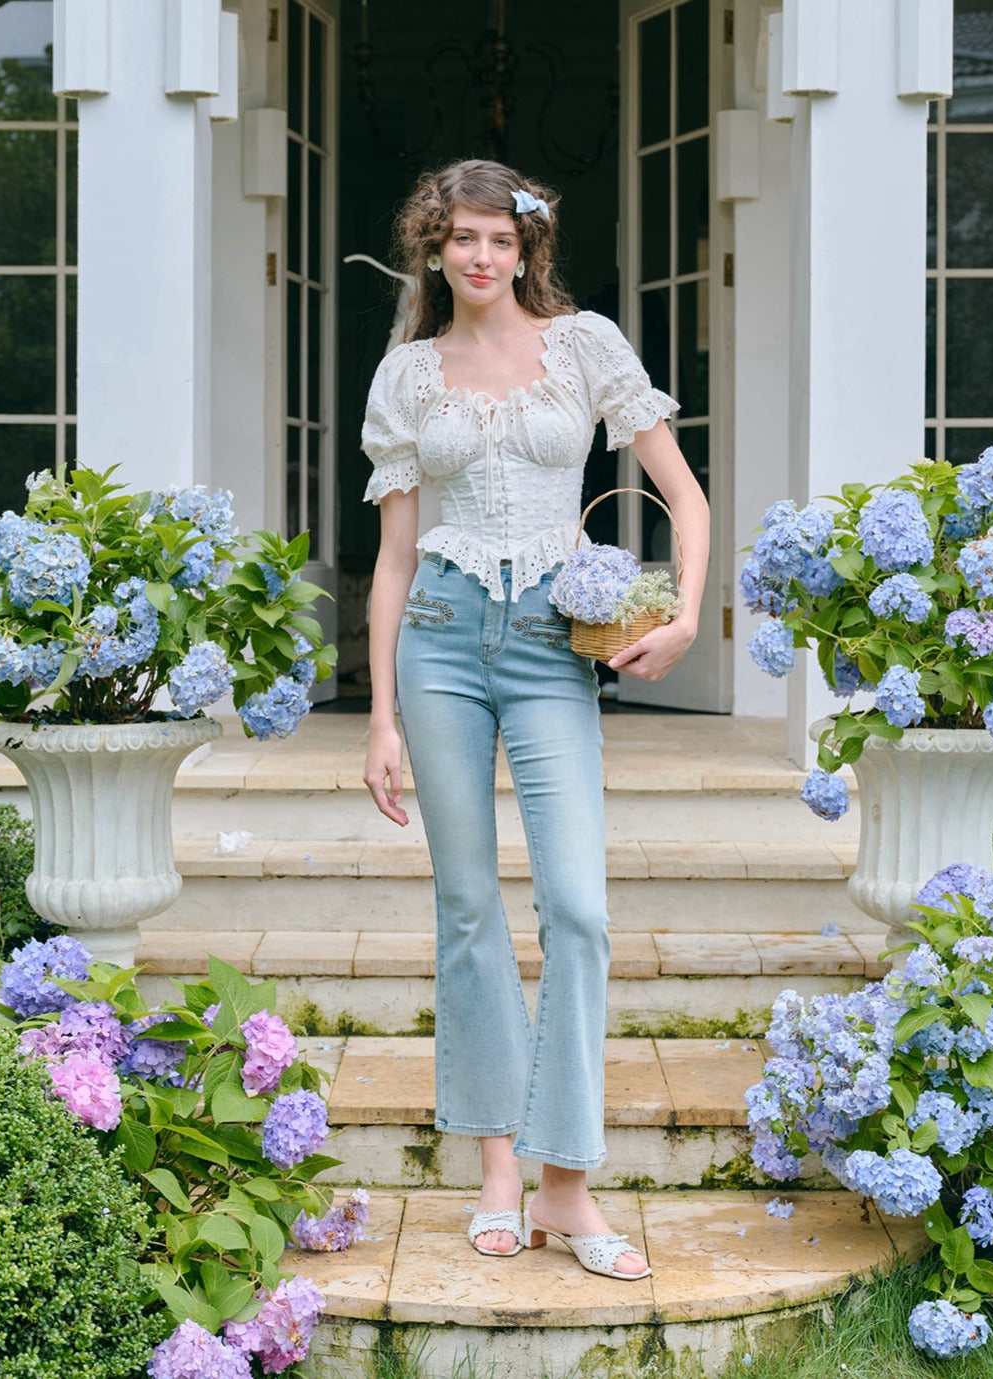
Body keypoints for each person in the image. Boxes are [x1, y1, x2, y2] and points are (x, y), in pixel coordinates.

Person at [361, 159, 709, 1280]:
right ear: (433, 247)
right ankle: (500, 1167)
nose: (479, 257)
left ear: (527, 249)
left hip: (556, 642)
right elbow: (393, 556)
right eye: (460, 238)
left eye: (499, 240)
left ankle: (570, 1182)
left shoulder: (588, 345)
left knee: (578, 908)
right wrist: (379, 716)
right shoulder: (410, 374)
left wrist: (688, 614)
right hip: (443, 634)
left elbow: (682, 493)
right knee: (467, 907)